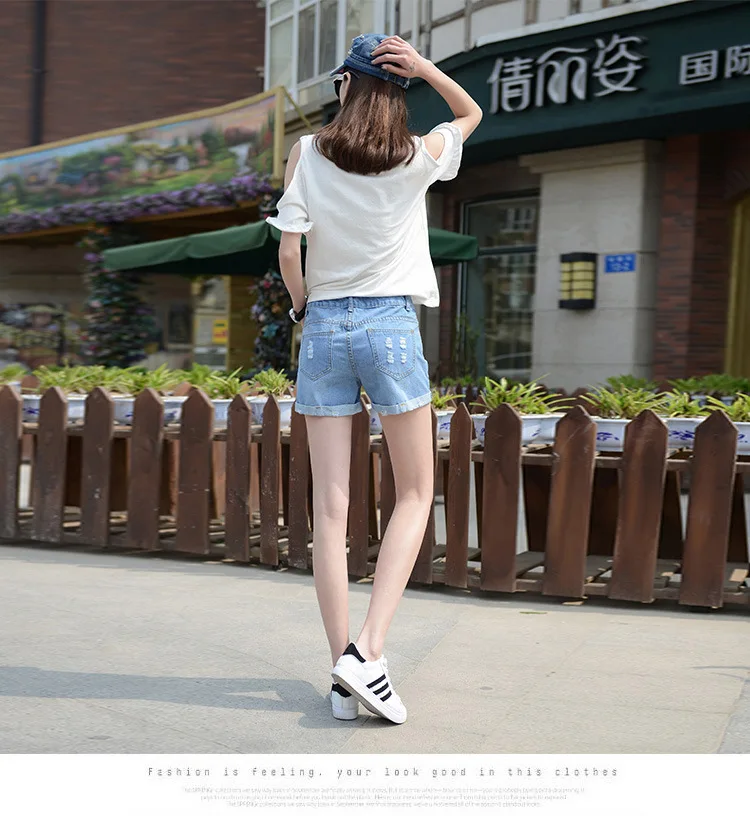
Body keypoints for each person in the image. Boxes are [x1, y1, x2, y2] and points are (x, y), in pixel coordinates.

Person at [266, 33, 482, 724]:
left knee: (330, 511)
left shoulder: (306, 151)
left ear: (346, 87)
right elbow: (471, 112)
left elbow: (290, 250)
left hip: (325, 325)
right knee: (414, 492)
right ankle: (369, 650)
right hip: (390, 325)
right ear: (395, 90)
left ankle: (342, 671)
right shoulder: (418, 155)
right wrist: (424, 69)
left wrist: (303, 307)